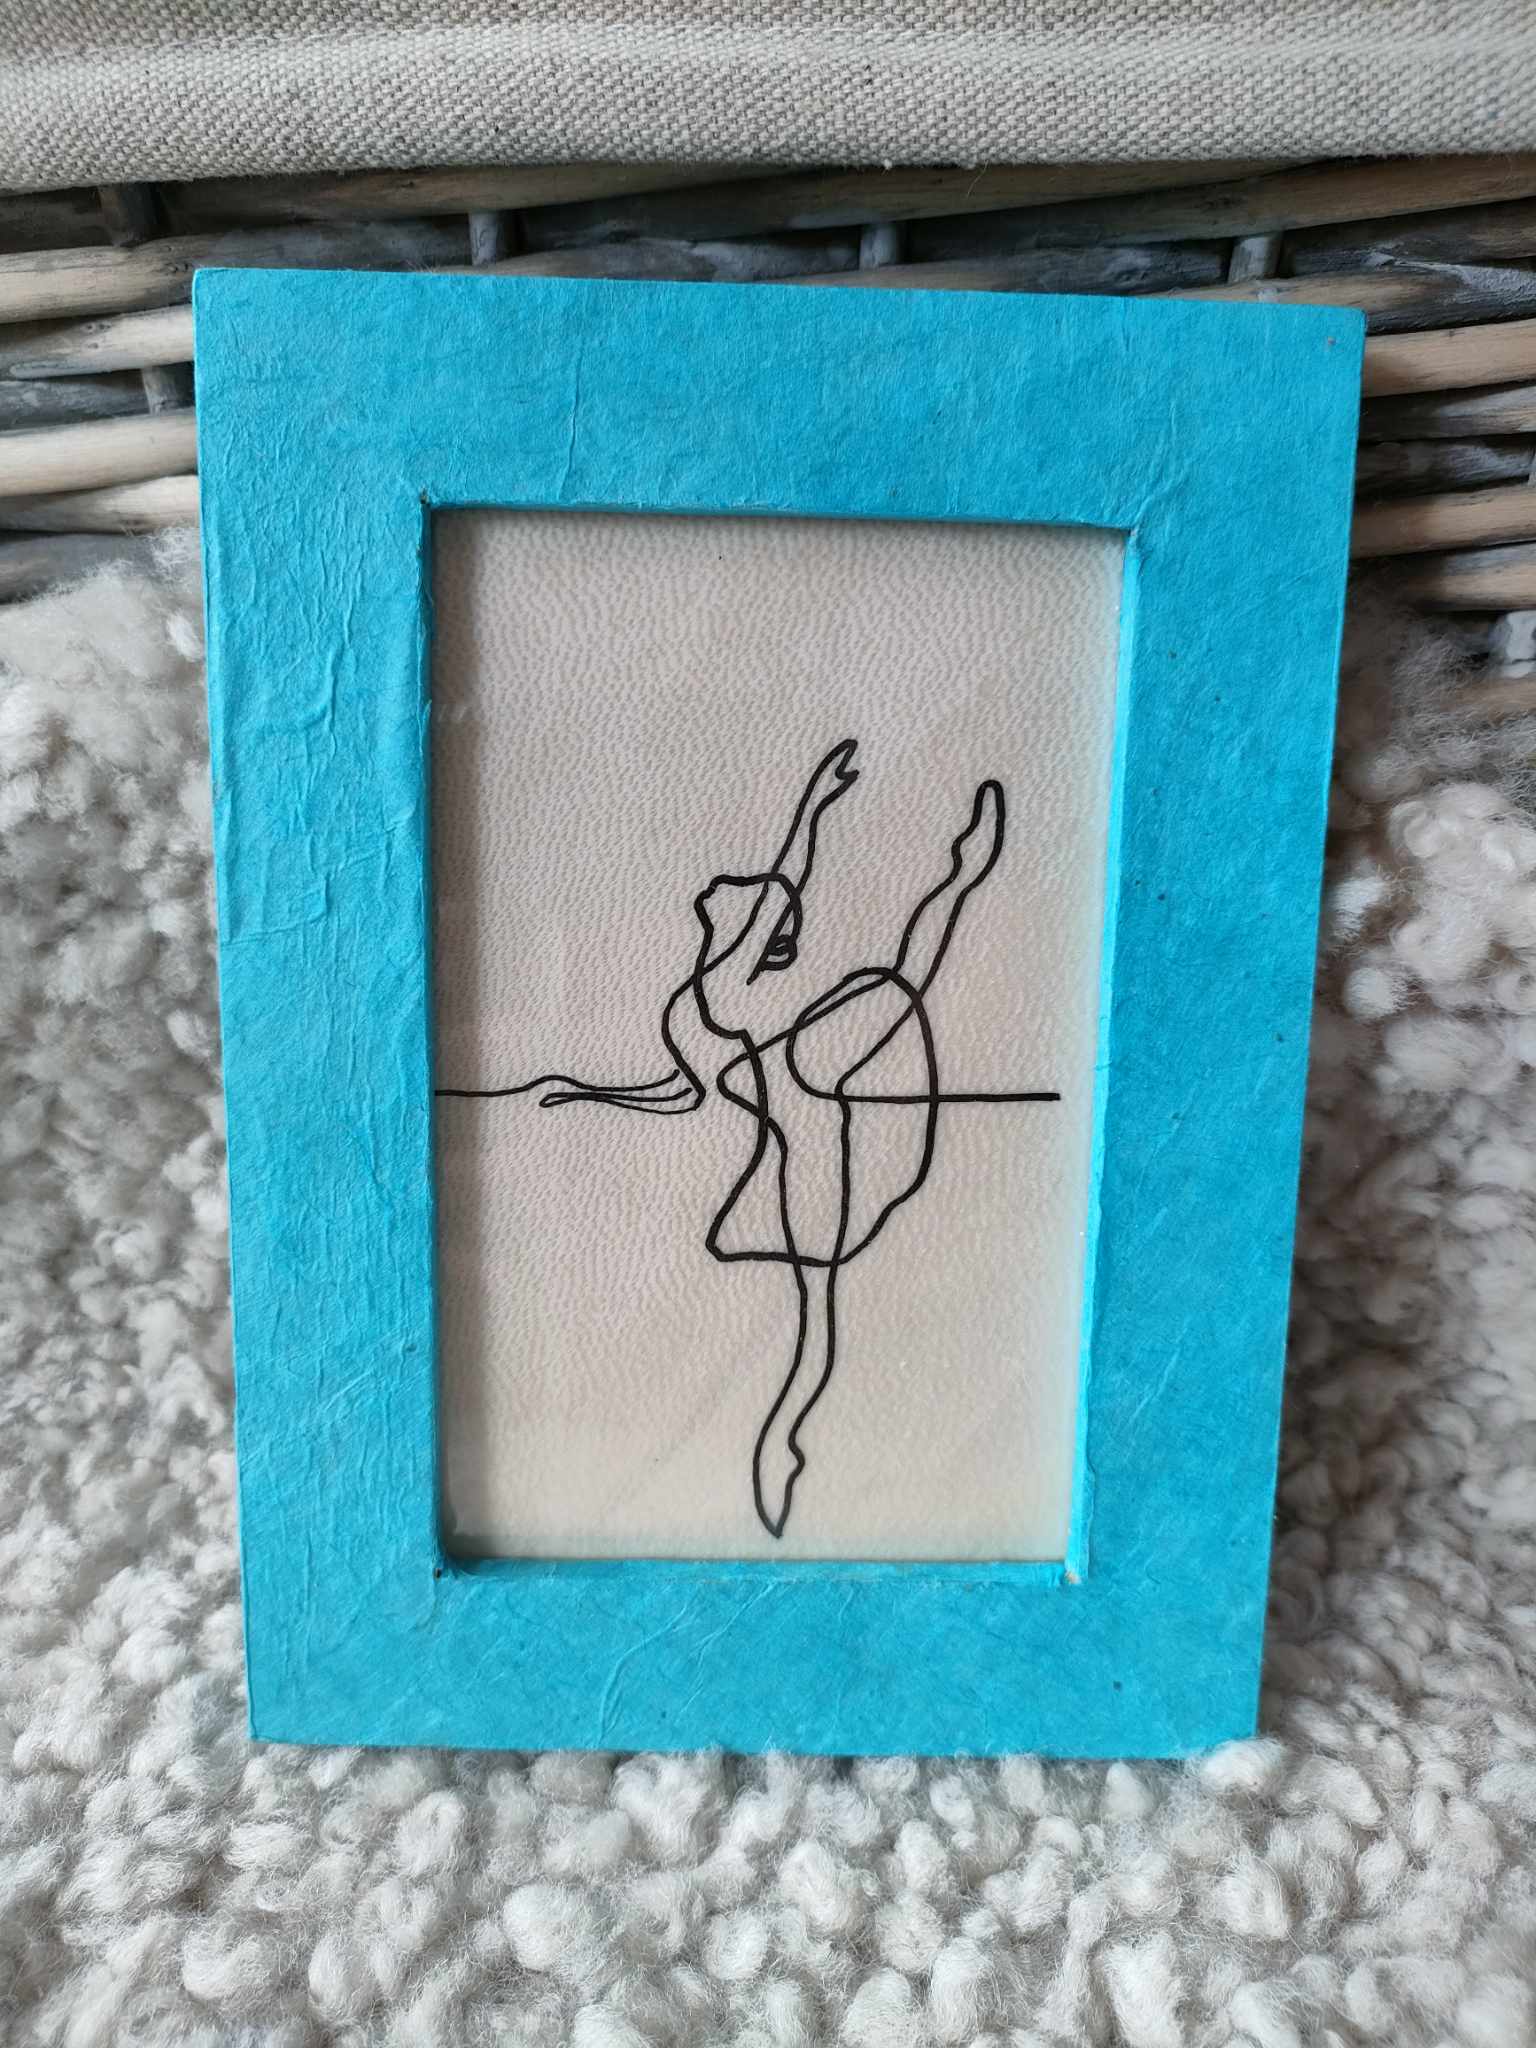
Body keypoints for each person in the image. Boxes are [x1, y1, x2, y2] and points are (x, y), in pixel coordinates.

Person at [439, 740, 1056, 1538]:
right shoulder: (706, 1000)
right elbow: (683, 1091)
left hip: (810, 1121)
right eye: (747, 896)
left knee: (816, 1303)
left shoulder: (725, 992)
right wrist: (590, 1090)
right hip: (799, 1130)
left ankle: (784, 1444)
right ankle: (783, 1443)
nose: (733, 890)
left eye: (750, 899)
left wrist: (821, 809)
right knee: (814, 1305)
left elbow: (795, 884)